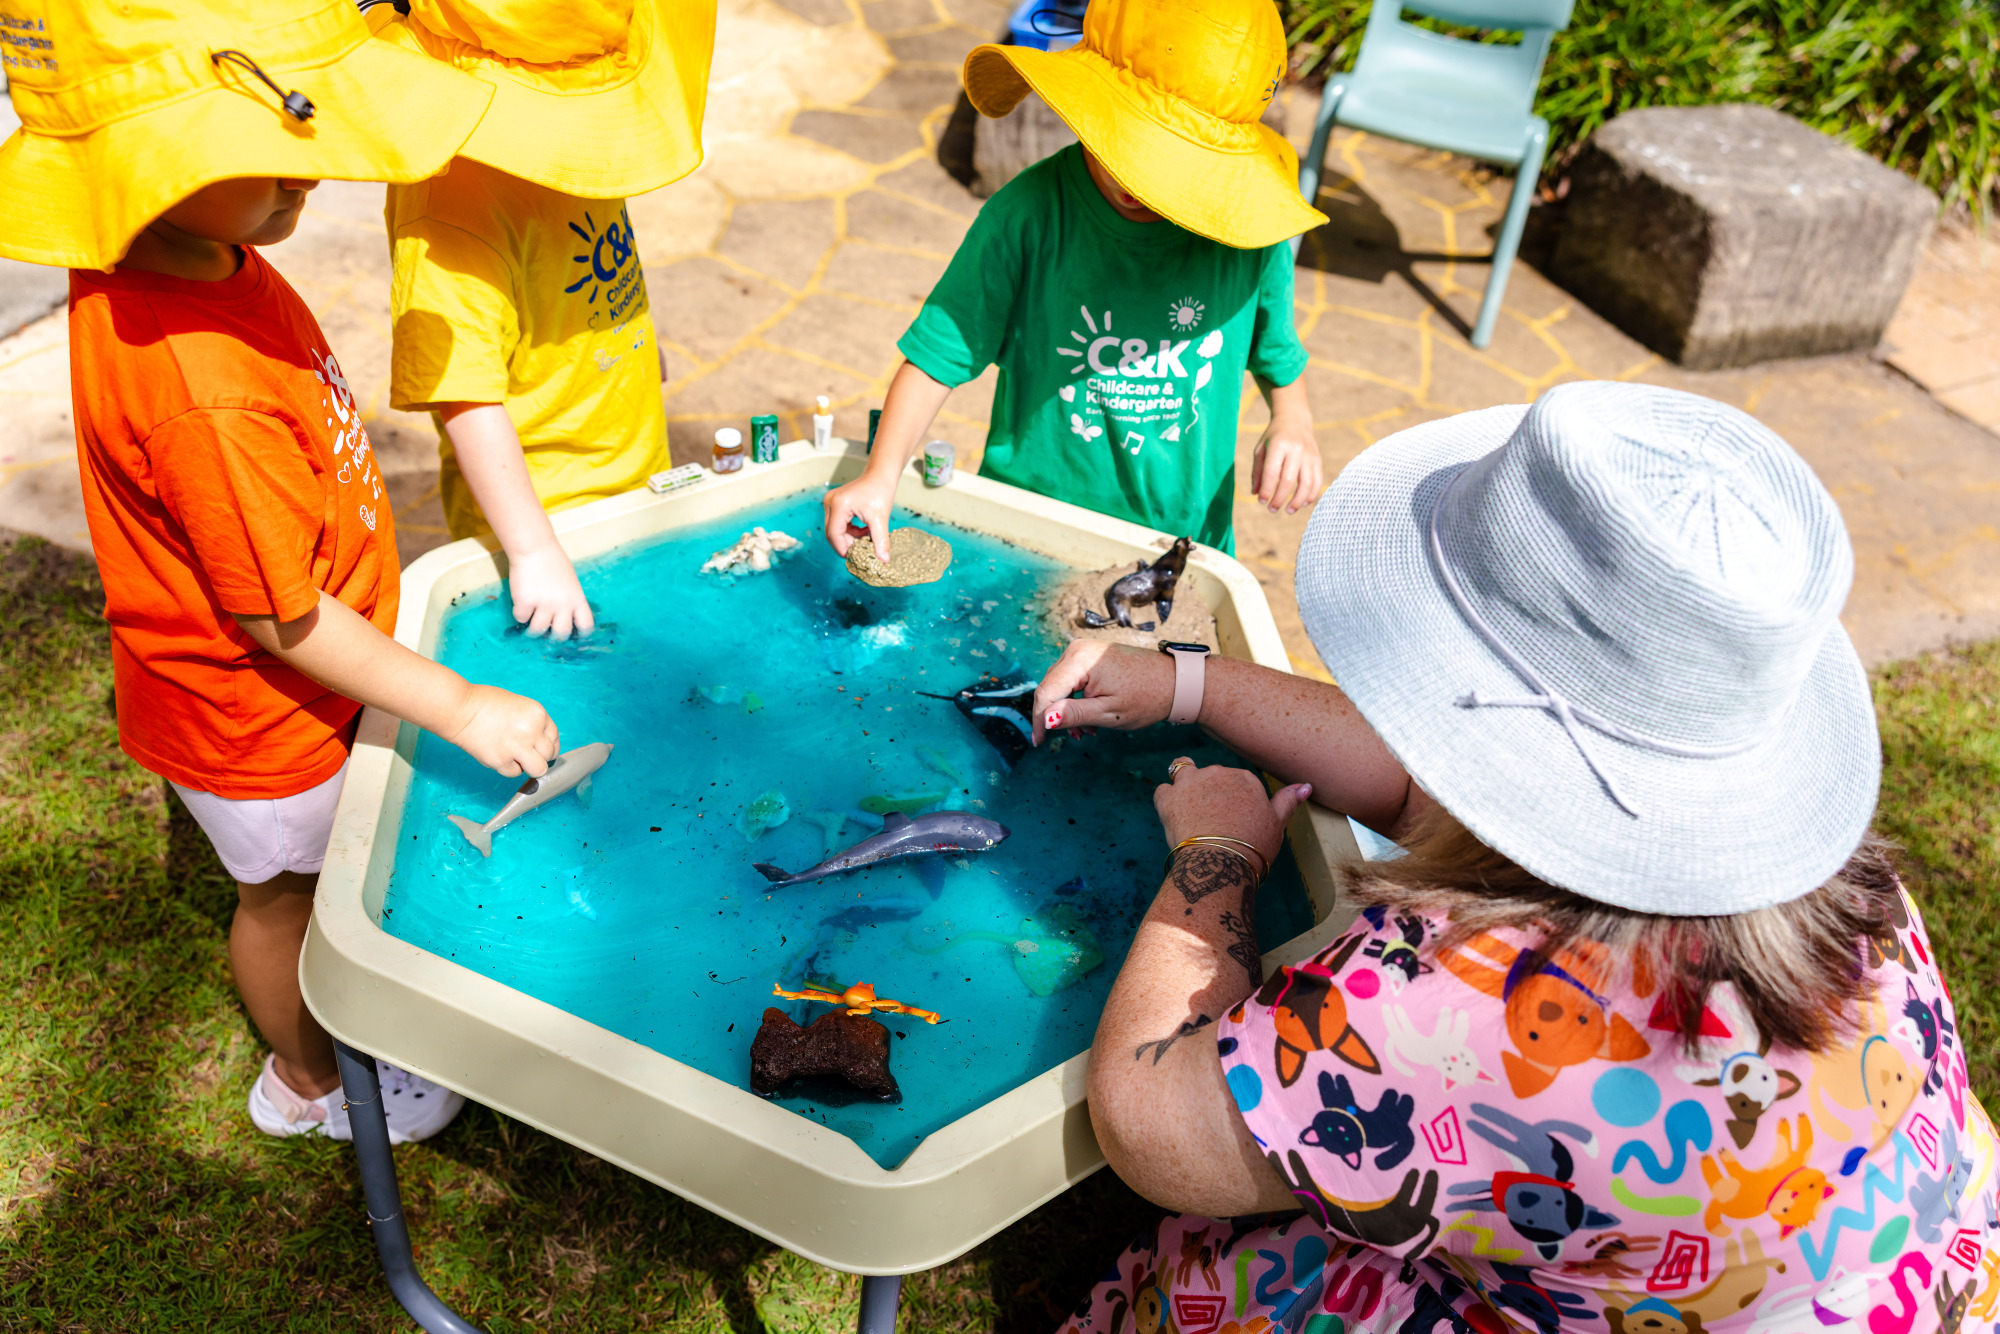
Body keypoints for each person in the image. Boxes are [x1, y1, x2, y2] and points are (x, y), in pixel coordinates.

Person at [1030, 382, 1997, 1331]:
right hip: (1934, 1286)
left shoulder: (1453, 1008)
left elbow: (1149, 1122)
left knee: (1247, 1273)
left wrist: (1221, 851)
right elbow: (1431, 787)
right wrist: (1190, 685)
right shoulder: (1840, 887)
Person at [0, 0, 560, 1142]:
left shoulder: (180, 250)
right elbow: (278, 618)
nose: (306, 177)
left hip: (268, 689)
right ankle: (306, 1081)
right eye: (262, 157)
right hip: (255, 715)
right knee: (288, 897)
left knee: (318, 882)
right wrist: (455, 701)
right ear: (147, 164)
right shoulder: (205, 394)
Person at [823, 0, 1325, 563]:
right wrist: (880, 474)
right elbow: (941, 351)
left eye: (1173, 163)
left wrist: (1293, 421)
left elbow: (1277, 352)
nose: (1143, 183)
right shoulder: (1029, 214)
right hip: (1028, 521)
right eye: (1129, 146)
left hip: (1177, 542)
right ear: (1091, 106)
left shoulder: (1248, 235)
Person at [373, 0, 715, 641]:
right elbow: (464, 394)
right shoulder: (451, 211)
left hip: (628, 461)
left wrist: (633, 340)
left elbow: (581, 264)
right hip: (546, 510)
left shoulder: (574, 145)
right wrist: (533, 551)